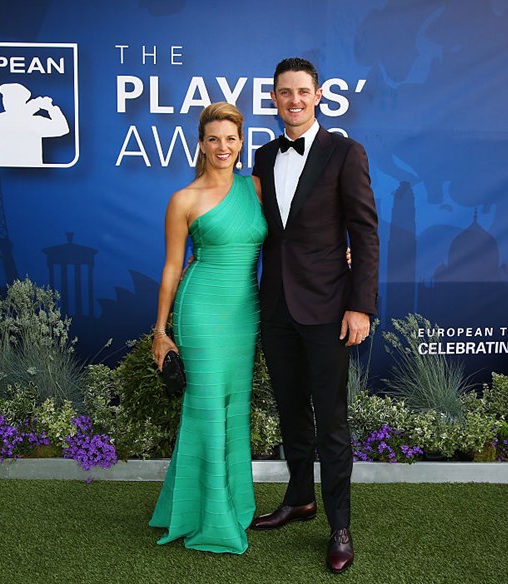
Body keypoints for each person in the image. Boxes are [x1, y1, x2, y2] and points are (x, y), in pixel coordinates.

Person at [249, 57, 380, 574]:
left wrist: (361, 304)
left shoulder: (345, 153)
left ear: (320, 95)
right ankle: (300, 498)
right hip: (277, 306)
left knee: (331, 422)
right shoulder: (261, 156)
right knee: (290, 411)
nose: (294, 100)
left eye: (303, 91)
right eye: (285, 92)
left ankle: (340, 526)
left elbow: (364, 233)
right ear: (274, 98)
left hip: (329, 308)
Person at [148, 102, 267, 554]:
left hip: (245, 312)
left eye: (231, 138)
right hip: (200, 310)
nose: (223, 146)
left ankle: (227, 504)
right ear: (200, 143)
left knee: (233, 405)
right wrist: (161, 331)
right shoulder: (184, 199)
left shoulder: (255, 188)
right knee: (207, 405)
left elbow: (295, 240)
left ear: (241, 144)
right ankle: (211, 517)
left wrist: (339, 257)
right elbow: (172, 268)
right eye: (213, 138)